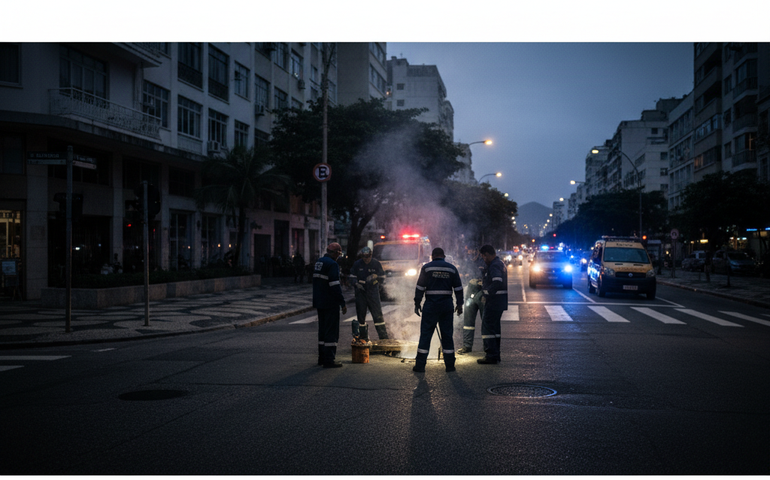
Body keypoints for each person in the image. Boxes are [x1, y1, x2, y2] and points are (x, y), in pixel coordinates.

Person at [412, 247, 464, 373]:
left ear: (432, 256)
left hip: (431, 306)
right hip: (446, 306)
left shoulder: (427, 268)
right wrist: (459, 304)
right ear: (444, 256)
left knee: (425, 336)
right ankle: (450, 366)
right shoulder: (452, 268)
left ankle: (420, 366)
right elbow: (458, 288)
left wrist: (417, 303)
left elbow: (420, 287)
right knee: (447, 336)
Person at [313, 242, 348, 368]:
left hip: (319, 301)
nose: (339, 256)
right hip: (330, 302)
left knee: (322, 330)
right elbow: (335, 285)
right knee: (331, 331)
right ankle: (329, 360)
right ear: (336, 253)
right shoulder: (333, 264)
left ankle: (321, 358)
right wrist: (342, 302)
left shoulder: (319, 262)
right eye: (339, 254)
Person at [349, 247, 389, 340]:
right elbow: (351, 277)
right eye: (364, 256)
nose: (366, 259)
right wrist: (356, 284)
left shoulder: (376, 263)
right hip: (361, 293)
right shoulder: (357, 264)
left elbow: (382, 277)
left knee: (377, 315)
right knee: (361, 316)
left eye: (368, 256)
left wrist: (376, 277)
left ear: (371, 255)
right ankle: (363, 337)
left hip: (373, 292)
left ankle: (383, 337)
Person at [477, 244, 508, 364]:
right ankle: (496, 354)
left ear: (487, 254)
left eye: (484, 257)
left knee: (487, 327)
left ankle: (490, 355)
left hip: (494, 301)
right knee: (495, 329)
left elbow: (497, 282)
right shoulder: (499, 263)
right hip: (499, 301)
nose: (484, 259)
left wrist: (486, 293)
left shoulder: (494, 265)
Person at [457, 245, 486, 355]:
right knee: (468, 321)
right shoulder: (466, 261)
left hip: (482, 292)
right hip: (470, 291)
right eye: (468, 250)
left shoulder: (484, 261)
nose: (470, 253)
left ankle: (488, 347)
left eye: (472, 250)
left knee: (485, 321)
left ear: (477, 251)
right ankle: (467, 346)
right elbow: (462, 276)